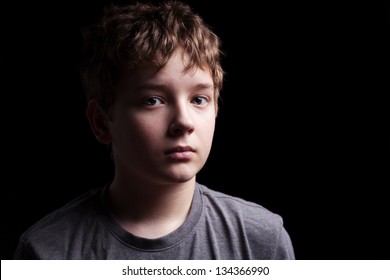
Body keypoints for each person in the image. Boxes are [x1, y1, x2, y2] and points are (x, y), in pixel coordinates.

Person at [14, 0, 295, 260]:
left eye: (199, 99)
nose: (184, 122)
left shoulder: (262, 241)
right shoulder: (47, 251)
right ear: (101, 122)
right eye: (153, 101)